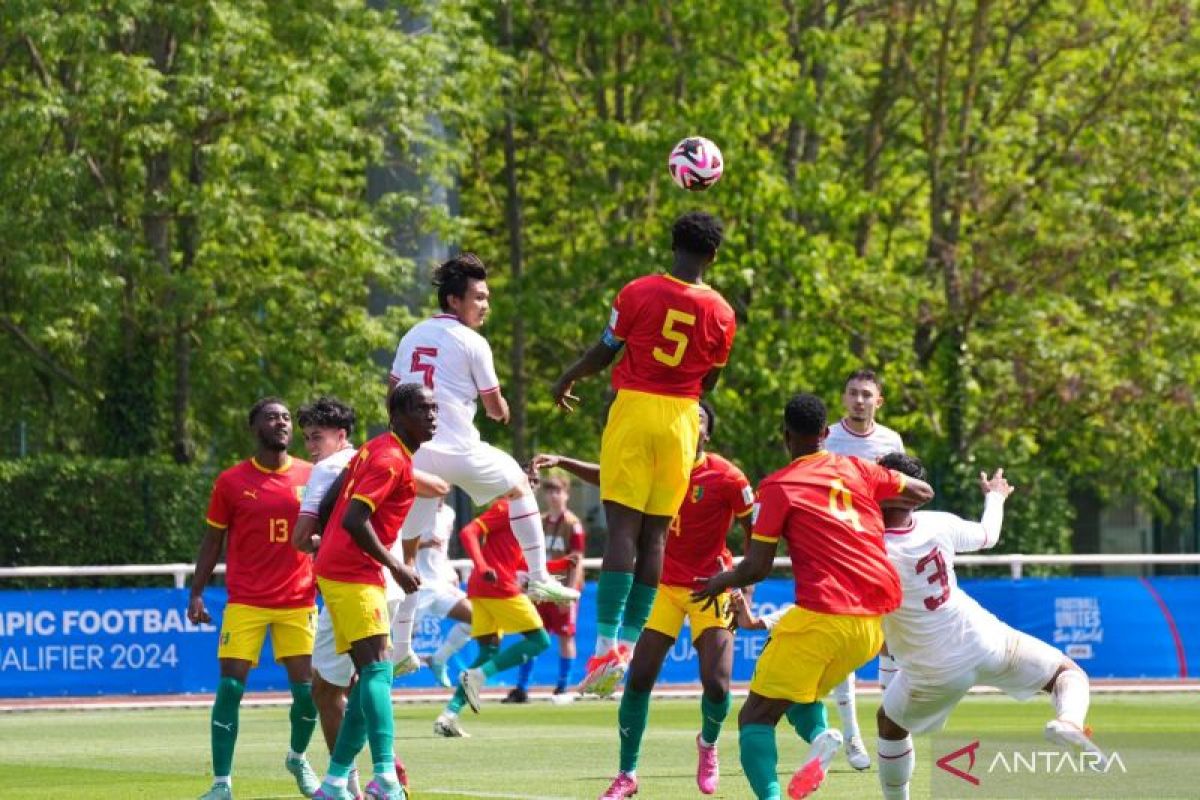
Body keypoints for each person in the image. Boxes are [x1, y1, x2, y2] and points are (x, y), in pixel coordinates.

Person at [692, 393, 933, 800]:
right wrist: (881, 506)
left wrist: (718, 582)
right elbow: (923, 491)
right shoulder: (860, 470)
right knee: (797, 697)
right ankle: (822, 736)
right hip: (870, 630)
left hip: (824, 617)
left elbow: (756, 568)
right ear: (826, 433)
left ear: (785, 435)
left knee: (755, 716)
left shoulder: (779, 487)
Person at [551, 211, 737, 696]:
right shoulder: (722, 312)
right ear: (713, 256)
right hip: (681, 420)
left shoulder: (638, 291)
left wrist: (568, 375)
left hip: (634, 409)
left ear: (672, 244)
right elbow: (711, 378)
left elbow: (604, 350)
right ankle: (628, 648)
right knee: (655, 537)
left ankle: (605, 645)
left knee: (622, 530)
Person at [538, 402, 754, 799]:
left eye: (700, 420)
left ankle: (707, 744)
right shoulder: (656, 465)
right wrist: (564, 462)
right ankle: (627, 774)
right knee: (638, 680)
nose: (691, 424)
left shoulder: (727, 477)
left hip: (711, 585)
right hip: (664, 587)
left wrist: (744, 583)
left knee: (718, 685)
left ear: (705, 433)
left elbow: (755, 530)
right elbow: (611, 477)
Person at [388, 253, 578, 673]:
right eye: (479, 297)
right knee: (520, 488)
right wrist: (504, 408)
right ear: (454, 301)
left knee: (407, 555)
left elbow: (393, 392)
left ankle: (400, 649)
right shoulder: (473, 342)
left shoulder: (412, 334)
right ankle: (541, 574)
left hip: (416, 457)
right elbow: (494, 408)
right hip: (458, 451)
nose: (485, 304)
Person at [873, 453, 1102, 800]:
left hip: (933, 669)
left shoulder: (867, 547)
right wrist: (995, 495)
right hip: (983, 639)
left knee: (889, 726)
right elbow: (988, 535)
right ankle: (1068, 722)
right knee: (1067, 674)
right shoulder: (937, 523)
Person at [291, 396, 447, 797]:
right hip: (355, 571)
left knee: (363, 680)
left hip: (344, 569)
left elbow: (336, 501)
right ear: (397, 416)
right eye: (422, 410)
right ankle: (385, 777)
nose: (432, 416)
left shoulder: (374, 449)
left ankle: (334, 781)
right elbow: (354, 519)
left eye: (434, 409)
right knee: (377, 671)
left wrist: (326, 541)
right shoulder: (390, 458)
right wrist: (396, 566)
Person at [188, 398, 318, 800]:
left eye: (285, 418)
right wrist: (196, 592)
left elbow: (329, 532)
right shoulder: (230, 481)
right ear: (254, 427)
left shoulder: (313, 475)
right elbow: (213, 541)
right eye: (271, 417)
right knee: (229, 688)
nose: (280, 422)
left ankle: (297, 758)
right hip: (246, 600)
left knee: (308, 693)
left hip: (298, 600)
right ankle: (222, 784)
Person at [822, 368, 907, 771]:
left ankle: (891, 727)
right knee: (842, 643)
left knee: (889, 637)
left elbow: (899, 492)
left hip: (878, 548)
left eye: (866, 394)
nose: (859, 400)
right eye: (853, 392)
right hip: (837, 549)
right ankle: (852, 735)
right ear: (843, 397)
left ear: (879, 400)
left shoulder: (891, 441)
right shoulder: (826, 438)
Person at [433, 499, 570, 737]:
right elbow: (468, 532)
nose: (535, 481)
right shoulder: (508, 506)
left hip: (482, 587)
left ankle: (449, 716)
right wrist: (482, 564)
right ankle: (477, 675)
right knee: (540, 641)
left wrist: (559, 564)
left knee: (488, 652)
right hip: (498, 587)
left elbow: (516, 560)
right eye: (530, 475)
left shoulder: (522, 514)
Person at [504, 471, 587, 702]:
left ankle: (562, 687)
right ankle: (521, 687)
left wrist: (569, 593)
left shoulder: (573, 525)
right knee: (532, 635)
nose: (553, 496)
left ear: (567, 495)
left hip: (560, 587)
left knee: (565, 637)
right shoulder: (538, 521)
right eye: (549, 491)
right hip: (539, 588)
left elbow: (577, 560)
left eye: (558, 491)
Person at [416, 502, 474, 689]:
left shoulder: (449, 512)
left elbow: (441, 551)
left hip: (440, 585)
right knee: (389, 648)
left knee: (477, 617)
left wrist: (449, 571)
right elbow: (395, 543)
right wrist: (424, 544)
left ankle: (438, 659)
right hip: (415, 587)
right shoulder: (414, 508)